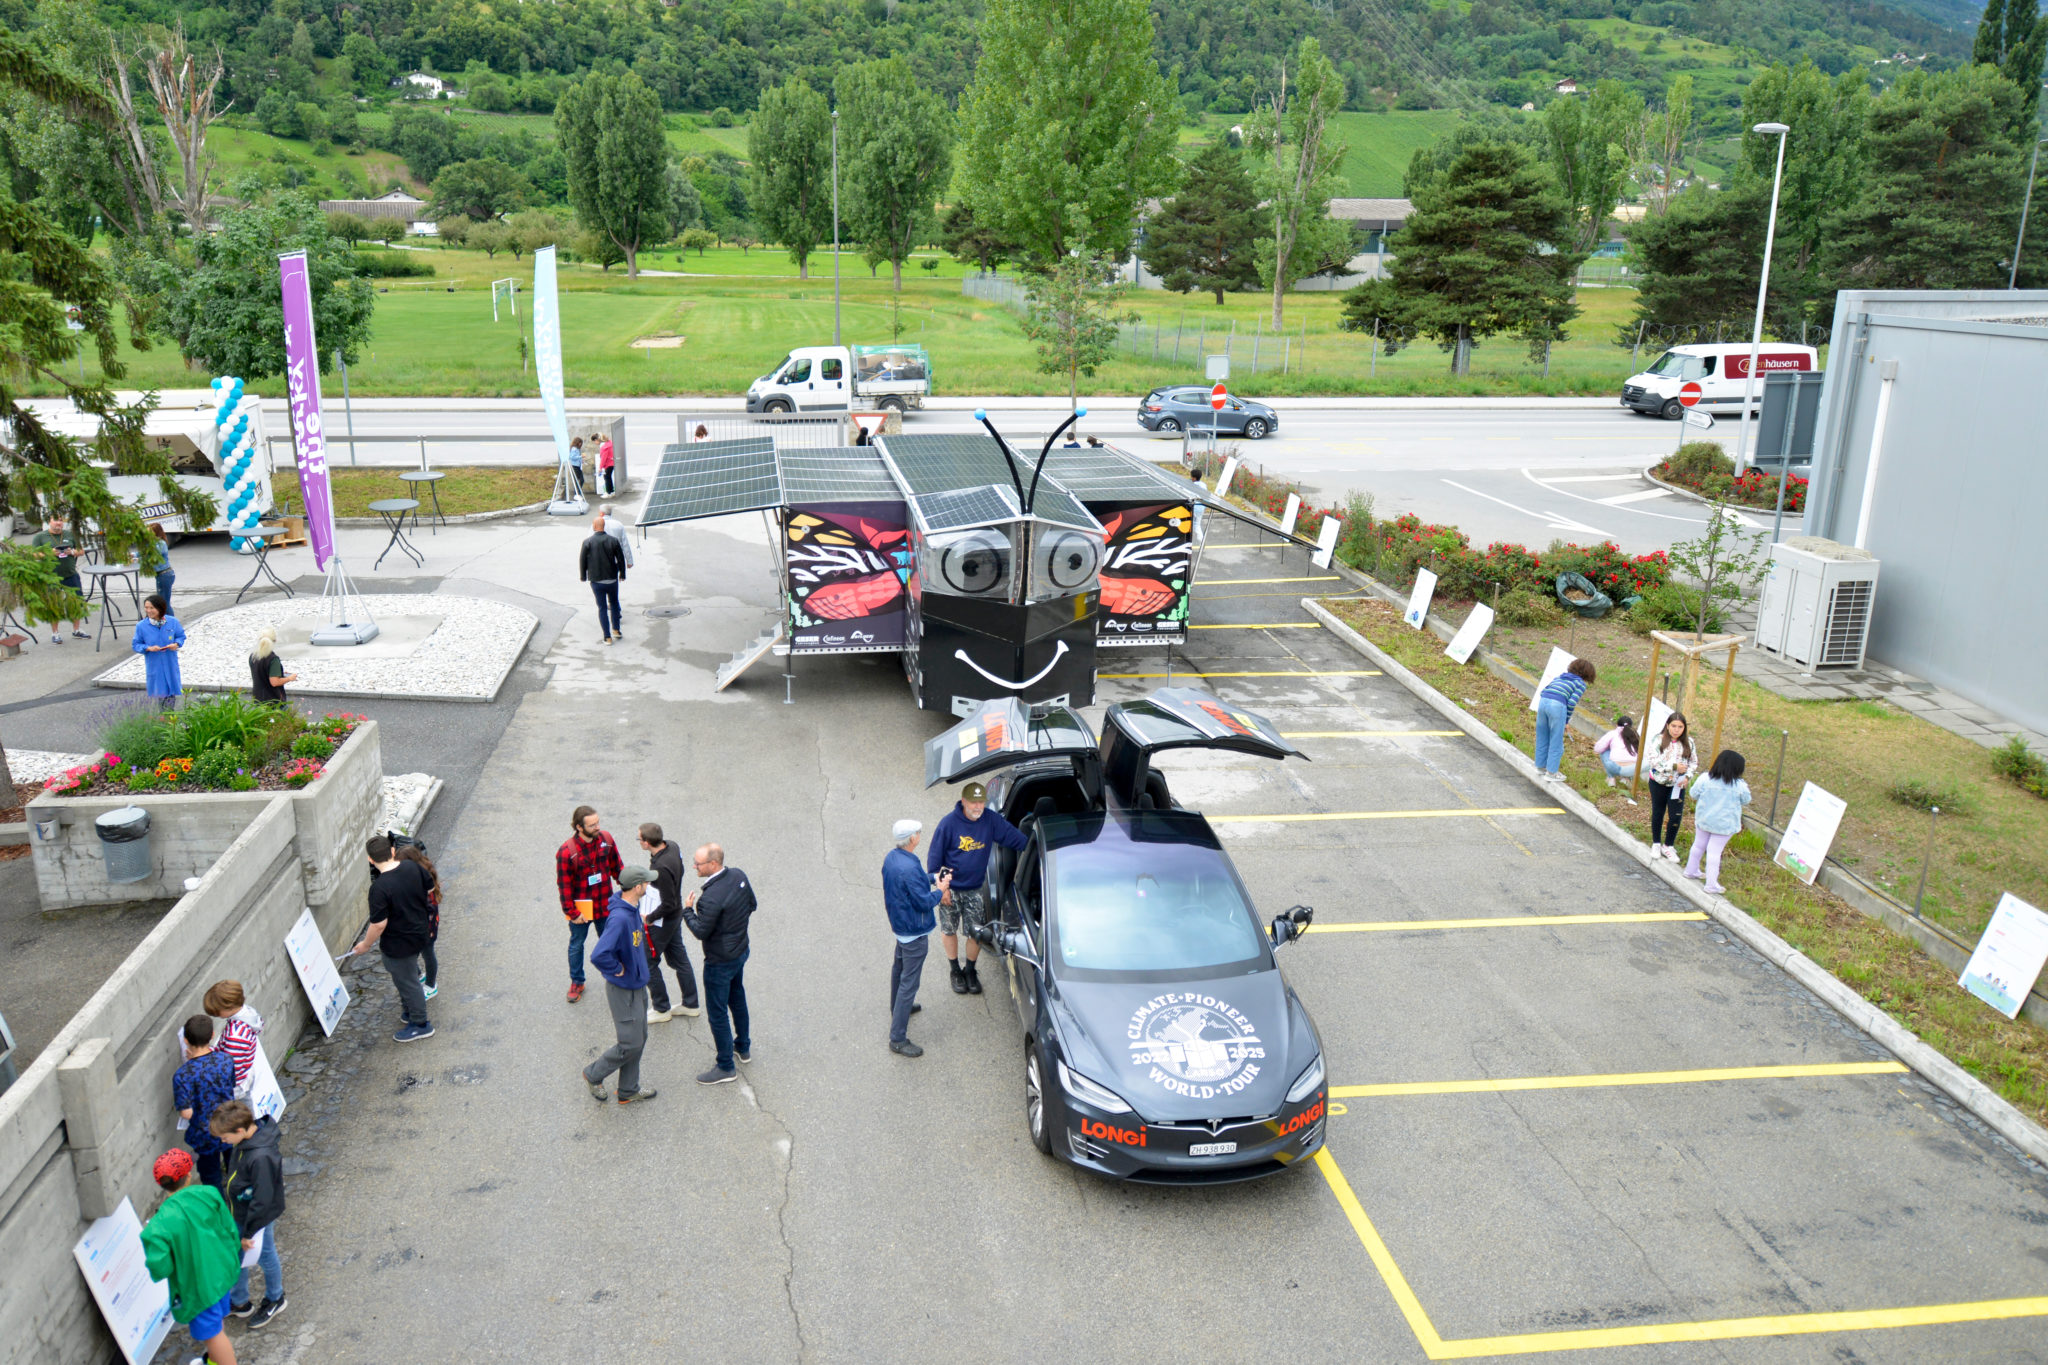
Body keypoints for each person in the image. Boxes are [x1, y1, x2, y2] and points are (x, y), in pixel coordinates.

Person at [141, 1149, 242, 1365]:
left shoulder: (157, 1225)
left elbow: (160, 1269)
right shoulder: (209, 1194)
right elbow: (230, 1230)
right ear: (188, 1176)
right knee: (217, 1322)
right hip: (222, 1273)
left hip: (197, 1288)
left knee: (213, 1336)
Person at [926, 780, 1027, 996]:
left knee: (977, 933)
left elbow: (1015, 839)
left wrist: (1037, 847)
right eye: (973, 803)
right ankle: (955, 970)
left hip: (974, 889)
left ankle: (970, 971)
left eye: (981, 802)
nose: (978, 807)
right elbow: (935, 863)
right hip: (950, 889)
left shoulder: (990, 821)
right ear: (963, 801)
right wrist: (942, 889)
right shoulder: (948, 824)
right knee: (948, 929)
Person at [348, 835, 436, 1043]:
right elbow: (429, 888)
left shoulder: (379, 888)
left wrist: (365, 945)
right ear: (393, 851)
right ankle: (410, 1011)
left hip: (398, 943)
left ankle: (420, 1023)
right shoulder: (412, 868)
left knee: (408, 982)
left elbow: (379, 924)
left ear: (371, 860)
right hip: (420, 933)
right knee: (408, 977)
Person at [583, 866, 659, 1104]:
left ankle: (628, 1089)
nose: (648, 886)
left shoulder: (631, 908)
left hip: (637, 986)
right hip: (623, 991)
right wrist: (618, 970)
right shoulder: (620, 918)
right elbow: (599, 955)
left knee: (640, 1037)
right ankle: (593, 1074)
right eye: (646, 883)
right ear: (637, 887)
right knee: (630, 1042)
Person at [681, 843, 755, 1085]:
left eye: (698, 863)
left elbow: (701, 931)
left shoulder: (709, 898)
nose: (694, 866)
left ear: (713, 864)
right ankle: (742, 1047)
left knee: (717, 1013)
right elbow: (751, 905)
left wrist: (688, 911)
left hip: (719, 962)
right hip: (740, 951)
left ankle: (725, 1066)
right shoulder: (739, 875)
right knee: (737, 997)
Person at [213, 1098, 288, 1330]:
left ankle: (276, 1297)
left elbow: (263, 1199)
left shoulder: (259, 1156)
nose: (223, 1142)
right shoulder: (247, 1142)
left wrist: (249, 1232)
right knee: (238, 1255)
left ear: (240, 1130)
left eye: (225, 1138)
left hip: (256, 1219)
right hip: (242, 1212)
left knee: (265, 1254)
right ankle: (239, 1301)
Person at [884, 820, 948, 1058]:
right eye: (918, 833)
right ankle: (897, 1039)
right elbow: (923, 902)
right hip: (914, 931)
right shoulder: (909, 866)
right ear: (912, 839)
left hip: (901, 927)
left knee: (899, 970)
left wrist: (932, 877)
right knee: (909, 982)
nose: (920, 835)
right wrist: (940, 889)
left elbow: (915, 882)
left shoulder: (893, 858)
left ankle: (898, 1008)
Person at [556, 805, 622, 1004]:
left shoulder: (606, 840)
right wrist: (572, 913)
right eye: (592, 825)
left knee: (610, 942)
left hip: (604, 902)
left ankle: (615, 976)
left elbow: (617, 867)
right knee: (577, 945)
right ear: (578, 827)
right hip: (581, 908)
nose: (597, 827)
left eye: (598, 823)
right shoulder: (567, 852)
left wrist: (628, 889)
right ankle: (577, 981)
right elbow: (564, 886)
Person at [639, 823, 700, 1023]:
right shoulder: (672, 846)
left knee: (649, 962)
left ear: (647, 843)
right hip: (675, 917)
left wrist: (649, 918)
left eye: (640, 839)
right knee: (679, 958)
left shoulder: (660, 869)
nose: (639, 842)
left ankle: (661, 1008)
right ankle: (691, 1004)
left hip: (663, 920)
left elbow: (667, 903)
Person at [172, 1015, 237, 1192]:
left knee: (211, 1178)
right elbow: (231, 1087)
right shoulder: (226, 1060)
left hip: (204, 1134)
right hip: (228, 1123)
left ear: (185, 1041)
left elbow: (186, 1113)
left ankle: (219, 1211)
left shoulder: (183, 1075)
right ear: (212, 1035)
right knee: (235, 1166)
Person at [1684, 750, 1752, 895]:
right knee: (1714, 852)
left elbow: (1693, 794)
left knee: (1698, 845)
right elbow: (1746, 800)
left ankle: (1690, 870)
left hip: (1704, 819)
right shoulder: (1739, 785)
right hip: (1725, 825)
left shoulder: (1705, 778)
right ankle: (1711, 884)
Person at [1533, 657, 1596, 783]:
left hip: (1543, 702)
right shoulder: (1580, 684)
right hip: (1557, 705)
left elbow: (1544, 691)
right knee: (1556, 740)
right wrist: (1566, 721)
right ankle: (1551, 773)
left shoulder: (1560, 677)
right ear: (1587, 674)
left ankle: (1540, 766)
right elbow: (1571, 703)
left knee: (1543, 736)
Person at [1643, 712, 1696, 863]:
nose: (1676, 730)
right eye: (1673, 726)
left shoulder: (1689, 743)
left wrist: (1687, 776)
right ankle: (1656, 843)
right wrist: (1673, 766)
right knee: (1658, 812)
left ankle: (1669, 845)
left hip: (1677, 785)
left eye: (1680, 727)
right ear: (1667, 725)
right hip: (1658, 782)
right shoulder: (1658, 740)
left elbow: (1693, 762)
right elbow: (1653, 761)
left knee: (1675, 815)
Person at [395, 842, 443, 999]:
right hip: (421, 924)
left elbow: (426, 908)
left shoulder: (420, 881)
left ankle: (430, 985)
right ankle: (419, 975)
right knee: (414, 952)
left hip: (425, 927)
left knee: (428, 954)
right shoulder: (421, 873)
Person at [29, 514, 88, 640]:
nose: (58, 523)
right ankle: (55, 633)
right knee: (54, 604)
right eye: (55, 520)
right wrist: (48, 553)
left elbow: (81, 551)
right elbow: (33, 554)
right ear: (49, 522)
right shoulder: (40, 537)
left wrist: (71, 552)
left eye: (61, 521)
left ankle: (76, 630)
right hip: (51, 576)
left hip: (70, 574)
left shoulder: (69, 535)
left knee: (76, 602)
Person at [202, 981, 264, 1100]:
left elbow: (229, 1069)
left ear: (229, 1007)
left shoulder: (235, 1036)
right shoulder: (248, 1013)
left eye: (217, 1011)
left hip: (233, 1088)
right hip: (245, 1076)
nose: (215, 1014)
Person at [580, 514, 628, 645]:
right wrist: (622, 574)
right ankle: (616, 630)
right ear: (604, 526)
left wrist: (583, 576)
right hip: (612, 579)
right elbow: (620, 558)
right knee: (614, 603)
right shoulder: (613, 540)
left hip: (596, 580)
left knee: (602, 608)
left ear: (594, 527)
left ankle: (607, 637)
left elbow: (582, 560)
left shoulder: (587, 542)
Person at [134, 593, 186, 709]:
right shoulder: (141, 626)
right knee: (161, 691)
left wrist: (176, 644)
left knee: (171, 690)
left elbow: (181, 636)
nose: (148, 611)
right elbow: (136, 644)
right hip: (155, 663)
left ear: (160, 608)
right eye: (146, 608)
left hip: (170, 662)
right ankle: (165, 718)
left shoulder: (172, 621)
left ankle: (169, 717)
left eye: (151, 608)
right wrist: (148, 648)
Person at [1593, 714, 1641, 801]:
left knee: (1605, 751)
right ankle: (1627, 779)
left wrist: (1609, 747)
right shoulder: (1636, 735)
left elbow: (1598, 748)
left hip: (1616, 766)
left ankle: (1611, 778)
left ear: (1616, 725)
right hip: (1633, 769)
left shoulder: (1613, 733)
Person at [250, 628, 297, 703]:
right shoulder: (273, 659)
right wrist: (289, 678)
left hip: (257, 699)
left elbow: (261, 672)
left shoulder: (253, 656)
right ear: (274, 640)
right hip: (272, 702)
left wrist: (279, 672)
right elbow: (275, 682)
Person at [139, 524, 175, 610]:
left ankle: (170, 622)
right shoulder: (152, 544)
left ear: (156, 533)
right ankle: (167, 621)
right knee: (163, 602)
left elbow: (153, 555)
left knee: (163, 603)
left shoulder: (160, 543)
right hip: (161, 575)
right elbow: (142, 553)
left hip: (165, 575)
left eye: (149, 532)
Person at [599, 503, 635, 569]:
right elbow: (625, 544)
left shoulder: (595, 525)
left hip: (600, 559)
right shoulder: (618, 525)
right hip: (616, 559)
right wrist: (629, 561)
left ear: (601, 513)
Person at [597, 431, 616, 495]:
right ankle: (611, 491)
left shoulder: (604, 447)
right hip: (612, 463)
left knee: (606, 477)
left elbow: (603, 458)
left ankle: (608, 492)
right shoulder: (610, 443)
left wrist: (600, 468)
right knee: (609, 477)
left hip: (608, 464)